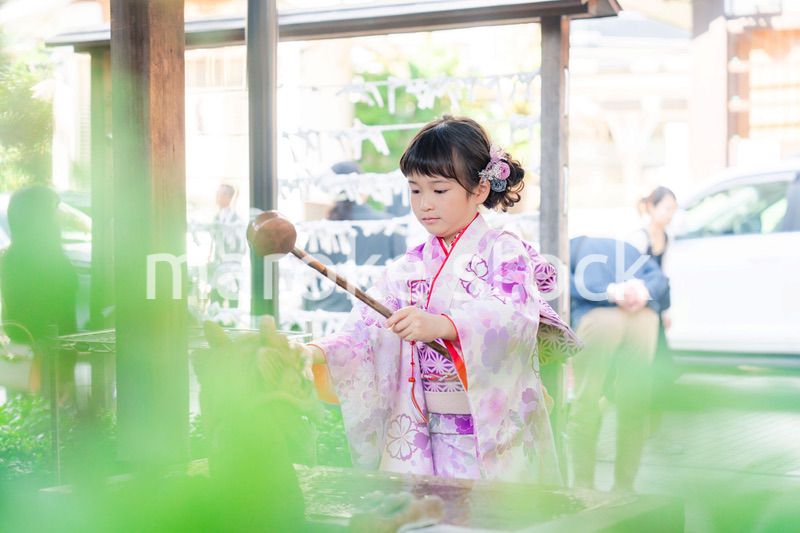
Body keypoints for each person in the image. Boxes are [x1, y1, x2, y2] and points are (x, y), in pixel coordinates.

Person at [295, 116, 580, 483]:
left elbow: (513, 317)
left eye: (439, 190)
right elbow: (364, 331)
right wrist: (314, 352)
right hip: (425, 435)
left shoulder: (504, 251)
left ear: (479, 189)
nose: (425, 204)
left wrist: (445, 325)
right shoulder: (408, 266)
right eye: (415, 190)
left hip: (493, 435)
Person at [567, 236, 670, 492]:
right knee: (634, 403)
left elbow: (557, 282)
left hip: (599, 318)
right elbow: (661, 282)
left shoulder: (572, 246)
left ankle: (583, 487)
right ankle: (624, 488)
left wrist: (611, 292)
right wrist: (640, 292)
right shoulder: (631, 250)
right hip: (642, 318)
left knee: (585, 400)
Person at [0, 185, 78, 392]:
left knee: (25, 416)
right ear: (41, 218)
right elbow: (62, 316)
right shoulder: (52, 261)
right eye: (54, 211)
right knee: (51, 416)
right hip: (48, 359)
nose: (59, 218)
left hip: (19, 358)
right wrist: (67, 369)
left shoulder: (11, 257)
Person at [302, 161, 406, 312]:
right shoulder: (390, 226)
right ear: (362, 188)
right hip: (374, 321)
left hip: (327, 320)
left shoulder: (320, 231)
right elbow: (402, 282)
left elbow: (309, 286)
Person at [627, 187, 678, 440]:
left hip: (656, 308)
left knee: (661, 364)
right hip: (639, 308)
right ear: (652, 207)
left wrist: (665, 310)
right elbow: (629, 272)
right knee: (643, 363)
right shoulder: (639, 237)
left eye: (673, 209)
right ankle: (639, 425)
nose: (670, 214)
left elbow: (664, 274)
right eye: (666, 208)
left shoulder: (666, 237)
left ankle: (654, 427)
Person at [208, 184, 246, 309]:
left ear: (228, 197)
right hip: (218, 265)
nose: (217, 197)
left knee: (232, 302)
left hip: (232, 267)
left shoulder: (237, 220)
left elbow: (241, 247)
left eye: (220, 194)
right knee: (215, 299)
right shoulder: (216, 217)